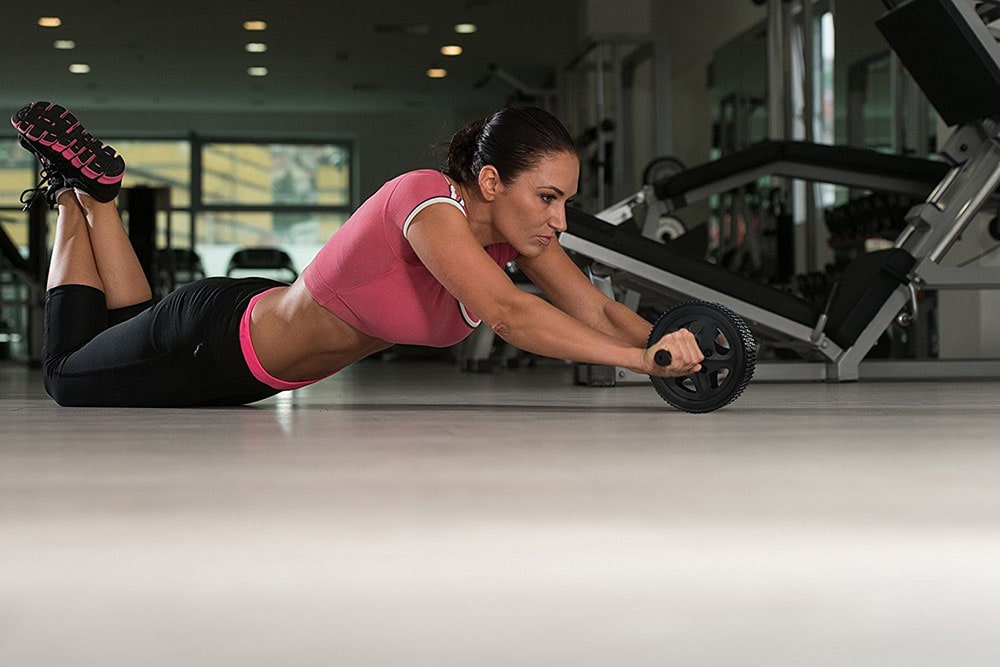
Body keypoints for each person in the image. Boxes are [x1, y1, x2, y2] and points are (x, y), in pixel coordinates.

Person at [11, 101, 703, 408]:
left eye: (564, 203)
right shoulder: (428, 201)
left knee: (117, 330)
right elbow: (508, 313)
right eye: (548, 197)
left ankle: (84, 194)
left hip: (244, 357)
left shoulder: (516, 238)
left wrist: (667, 343)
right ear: (492, 181)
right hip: (217, 342)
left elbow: (591, 306)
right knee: (66, 375)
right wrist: (643, 362)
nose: (559, 218)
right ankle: (83, 199)